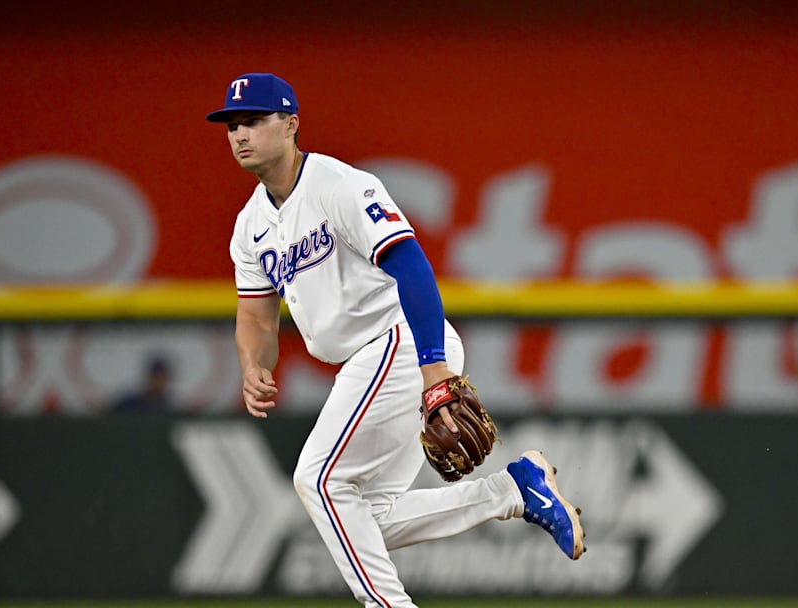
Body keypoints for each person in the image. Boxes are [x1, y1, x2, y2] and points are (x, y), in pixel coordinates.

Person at [208, 72, 585, 607]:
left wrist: (433, 368)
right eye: (231, 125)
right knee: (363, 523)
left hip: (401, 343)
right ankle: (514, 491)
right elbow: (257, 315)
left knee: (317, 481)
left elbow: (410, 264)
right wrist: (251, 365)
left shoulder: (339, 186)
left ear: (290, 124)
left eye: (253, 120)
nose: (239, 134)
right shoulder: (250, 226)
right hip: (375, 358)